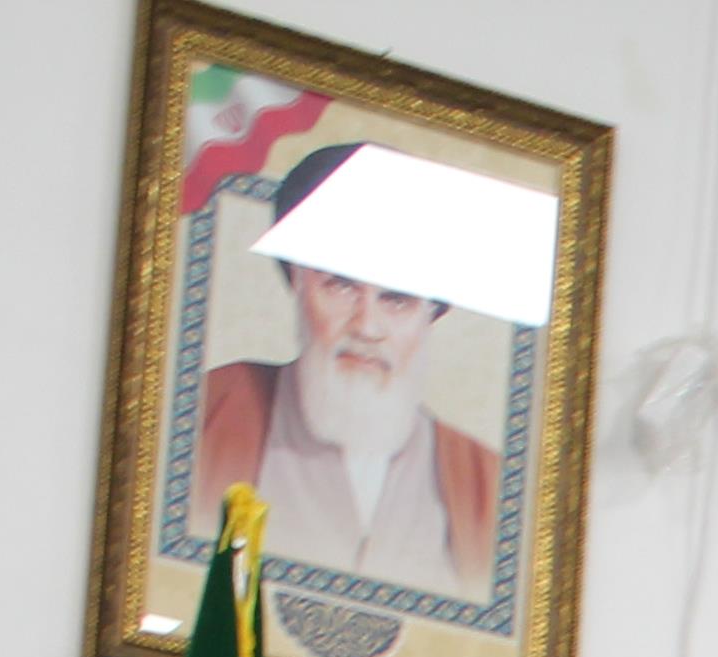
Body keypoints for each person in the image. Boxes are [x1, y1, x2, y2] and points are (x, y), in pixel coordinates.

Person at [197, 142, 501, 591]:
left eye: (396, 300)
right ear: (298, 282)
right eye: (341, 287)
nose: (367, 326)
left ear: (429, 314)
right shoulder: (205, 415)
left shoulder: (487, 485)